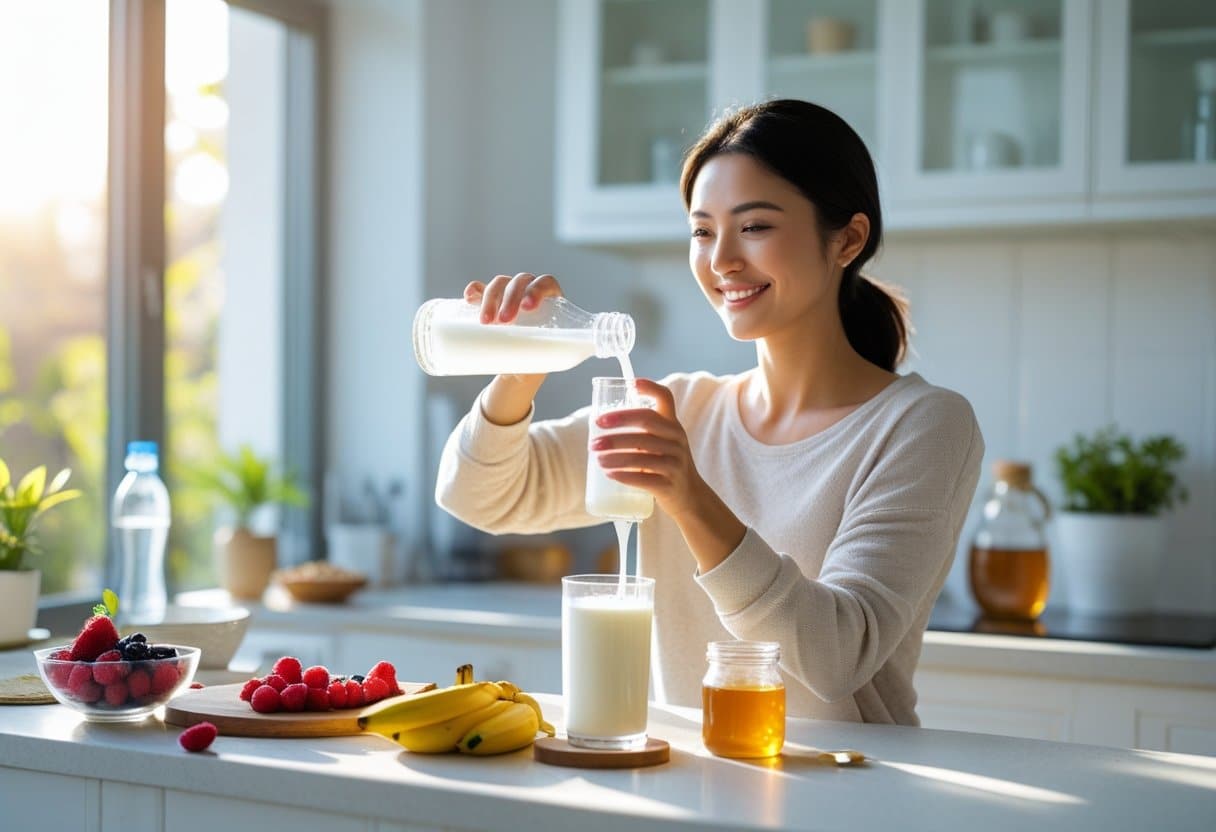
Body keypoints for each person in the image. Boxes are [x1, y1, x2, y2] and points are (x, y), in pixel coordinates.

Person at [435, 99, 984, 725]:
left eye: (754, 227)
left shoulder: (923, 426)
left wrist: (689, 494)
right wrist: (523, 365)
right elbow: (477, 496)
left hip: (845, 792)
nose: (721, 259)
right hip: (690, 790)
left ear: (848, 239)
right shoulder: (685, 408)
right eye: (702, 230)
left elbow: (838, 656)